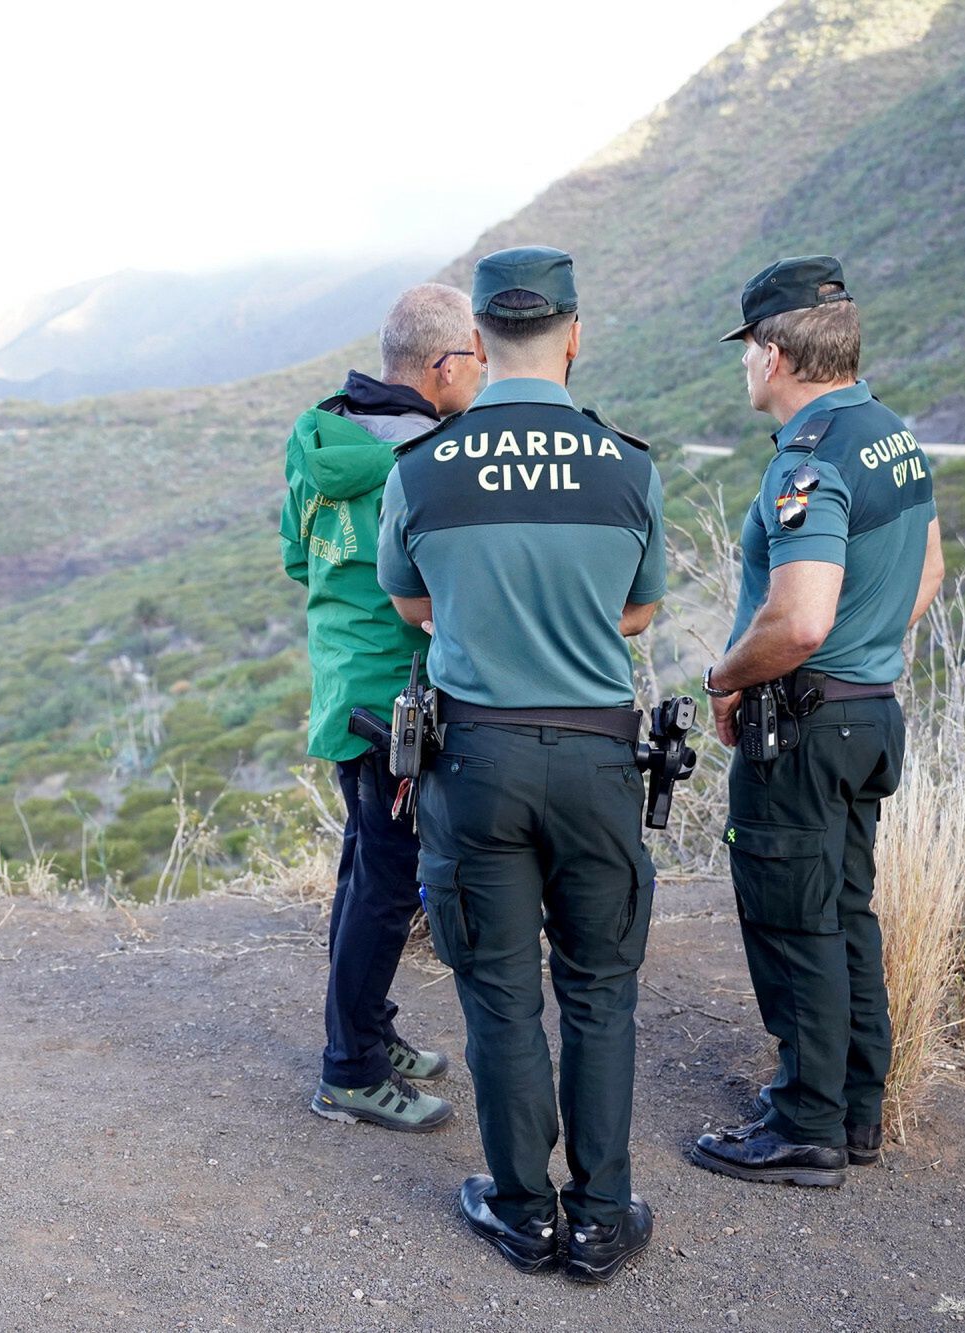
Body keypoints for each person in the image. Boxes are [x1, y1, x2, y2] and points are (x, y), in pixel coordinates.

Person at [376, 246, 666, 1283]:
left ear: (478, 341)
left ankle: (521, 1211)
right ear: (573, 335)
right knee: (599, 989)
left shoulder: (421, 468)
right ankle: (600, 1217)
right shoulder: (627, 466)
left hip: (476, 761)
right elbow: (639, 611)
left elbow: (411, 603)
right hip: (595, 755)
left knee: (499, 992)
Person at [692, 256, 944, 1189]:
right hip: (867, 714)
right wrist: (866, 652)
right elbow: (928, 570)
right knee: (843, 913)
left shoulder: (810, 460)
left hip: (803, 726)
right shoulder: (893, 436)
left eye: (746, 349)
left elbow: (798, 621)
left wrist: (725, 677)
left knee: (793, 920)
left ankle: (804, 1126)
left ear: (774, 353)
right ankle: (855, 1111)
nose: (743, 365)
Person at [281, 282, 484, 1134]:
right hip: (396, 704)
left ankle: (366, 1028)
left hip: (341, 688)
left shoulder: (319, 432)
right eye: (476, 357)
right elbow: (442, 588)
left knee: (363, 867)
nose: (483, 371)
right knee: (387, 884)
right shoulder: (428, 460)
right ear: (442, 366)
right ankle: (351, 1070)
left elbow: (299, 561)